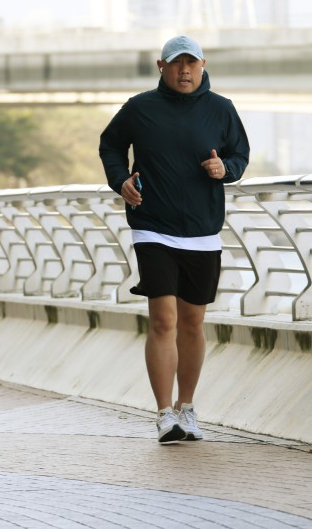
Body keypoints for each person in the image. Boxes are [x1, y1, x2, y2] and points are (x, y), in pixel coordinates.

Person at [99, 35, 249, 444]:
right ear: (161, 67)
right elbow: (110, 145)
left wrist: (226, 169)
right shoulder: (140, 108)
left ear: (203, 65)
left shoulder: (221, 110)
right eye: (176, 63)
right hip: (153, 225)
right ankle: (164, 414)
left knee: (193, 322)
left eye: (191, 63)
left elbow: (239, 155)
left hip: (202, 230)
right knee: (163, 319)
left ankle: (187, 408)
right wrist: (121, 181)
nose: (185, 71)